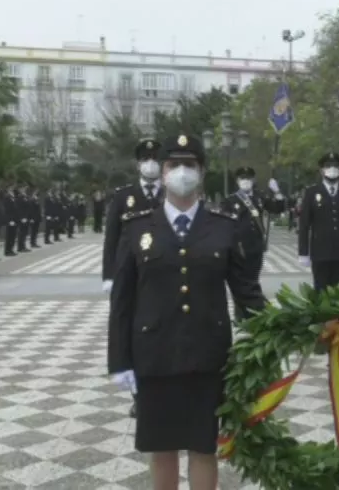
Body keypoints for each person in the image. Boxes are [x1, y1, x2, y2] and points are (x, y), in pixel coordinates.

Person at [108, 133, 266, 490]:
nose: (182, 171)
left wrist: (291, 326)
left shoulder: (223, 226)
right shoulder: (136, 227)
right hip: (153, 356)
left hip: (208, 356)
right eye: (173, 164)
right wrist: (119, 360)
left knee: (203, 447)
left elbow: (247, 293)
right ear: (162, 173)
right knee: (161, 449)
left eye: (189, 165)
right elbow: (122, 301)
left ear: (202, 171)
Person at [102, 139, 163, 293]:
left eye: (155, 159)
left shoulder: (172, 194)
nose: (150, 163)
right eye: (145, 159)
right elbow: (111, 238)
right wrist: (108, 275)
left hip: (163, 269)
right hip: (130, 269)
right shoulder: (123, 196)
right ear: (138, 165)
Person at [297, 152, 339, 291]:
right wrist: (303, 251)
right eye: (328, 166)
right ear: (321, 170)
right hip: (320, 252)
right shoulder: (312, 192)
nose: (332, 169)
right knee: (321, 291)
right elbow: (305, 224)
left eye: (335, 166)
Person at [222, 166, 286, 277]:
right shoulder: (231, 200)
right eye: (242, 178)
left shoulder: (260, 197)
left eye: (248, 178)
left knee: (254, 275)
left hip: (256, 244)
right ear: (237, 181)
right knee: (240, 277)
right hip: (239, 245)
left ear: (253, 180)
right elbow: (224, 223)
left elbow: (277, 209)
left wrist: (277, 193)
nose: (245, 181)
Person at [2, 182, 18, 257]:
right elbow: (7, 210)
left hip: (14, 219)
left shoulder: (13, 196)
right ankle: (7, 251)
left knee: (13, 235)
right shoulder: (7, 197)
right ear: (8, 189)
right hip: (10, 219)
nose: (12, 188)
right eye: (11, 187)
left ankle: (11, 249)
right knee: (9, 236)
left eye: (12, 187)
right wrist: (10, 220)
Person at [15, 183, 31, 253]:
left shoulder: (25, 196)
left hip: (26, 217)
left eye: (25, 188)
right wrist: (22, 217)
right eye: (23, 188)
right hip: (23, 218)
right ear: (20, 189)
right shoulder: (19, 197)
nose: (25, 189)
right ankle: (20, 247)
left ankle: (23, 246)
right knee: (21, 233)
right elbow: (19, 208)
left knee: (25, 233)